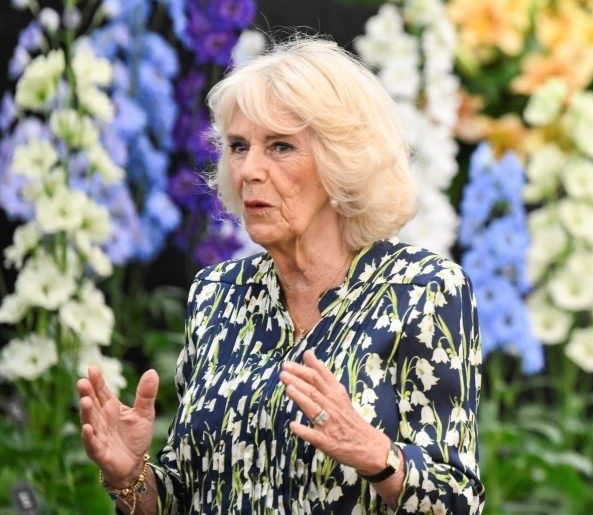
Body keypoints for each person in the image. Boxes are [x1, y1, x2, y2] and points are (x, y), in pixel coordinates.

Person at [77, 37, 485, 513]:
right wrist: (131, 475)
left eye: (280, 146)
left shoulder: (422, 291)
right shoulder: (216, 296)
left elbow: (459, 500)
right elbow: (186, 500)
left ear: (341, 163)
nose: (249, 170)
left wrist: (377, 456)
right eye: (238, 146)